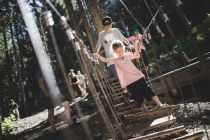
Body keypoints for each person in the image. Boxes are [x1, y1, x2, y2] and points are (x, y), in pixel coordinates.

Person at [94, 40, 164, 111]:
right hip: (128, 80)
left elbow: (137, 56)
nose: (120, 53)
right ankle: (144, 108)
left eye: (121, 50)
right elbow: (105, 60)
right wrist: (98, 56)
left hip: (137, 76)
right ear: (114, 51)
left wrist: (136, 46)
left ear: (123, 48)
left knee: (147, 90)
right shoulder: (114, 59)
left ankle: (159, 103)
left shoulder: (127, 55)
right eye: (118, 52)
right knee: (136, 95)